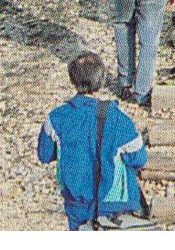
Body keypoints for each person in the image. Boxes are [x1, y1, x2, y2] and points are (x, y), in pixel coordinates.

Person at [37, 52, 149, 229]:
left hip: (77, 202)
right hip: (115, 205)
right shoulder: (119, 118)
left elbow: (44, 155)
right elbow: (139, 158)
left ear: (72, 79)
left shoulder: (56, 118)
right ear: (102, 80)